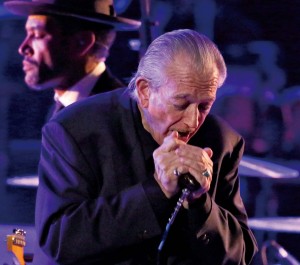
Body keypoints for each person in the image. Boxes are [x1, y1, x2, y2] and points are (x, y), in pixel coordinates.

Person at [34, 29, 258, 264]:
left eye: (204, 106)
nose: (193, 122)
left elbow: (241, 255)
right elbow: (59, 240)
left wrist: (201, 203)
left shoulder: (223, 142)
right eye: (181, 104)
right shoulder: (74, 130)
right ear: (144, 91)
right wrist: (157, 192)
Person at [4, 0, 141, 118]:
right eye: (27, 34)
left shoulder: (121, 117)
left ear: (81, 43)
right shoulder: (62, 107)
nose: (23, 48)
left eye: (38, 34)